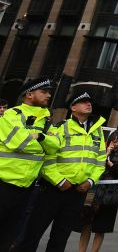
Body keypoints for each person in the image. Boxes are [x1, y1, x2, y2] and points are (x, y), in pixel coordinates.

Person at [20, 91, 106, 252]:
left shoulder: (97, 132)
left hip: (78, 193)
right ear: (73, 107)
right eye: (83, 101)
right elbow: (47, 156)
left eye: (90, 102)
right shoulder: (60, 127)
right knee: (33, 233)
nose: (89, 104)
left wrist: (90, 181)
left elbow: (100, 161)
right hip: (54, 190)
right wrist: (59, 181)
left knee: (61, 237)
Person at [0, 78, 58, 249]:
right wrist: (45, 143)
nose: (49, 95)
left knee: (8, 236)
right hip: (4, 185)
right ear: (29, 94)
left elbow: (55, 147)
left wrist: (39, 137)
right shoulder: (11, 114)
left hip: (27, 188)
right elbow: (20, 142)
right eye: (44, 91)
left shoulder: (46, 121)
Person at [77, 131, 118, 252]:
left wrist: (110, 163)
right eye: (113, 141)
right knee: (86, 225)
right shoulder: (100, 151)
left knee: (101, 227)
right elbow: (92, 167)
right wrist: (106, 154)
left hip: (109, 194)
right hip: (93, 192)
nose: (115, 144)